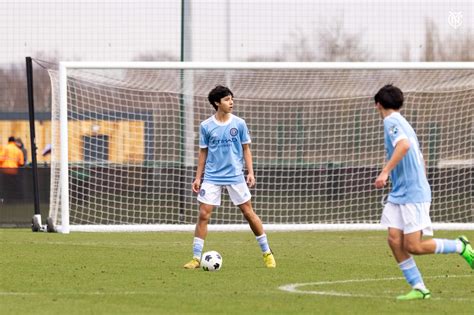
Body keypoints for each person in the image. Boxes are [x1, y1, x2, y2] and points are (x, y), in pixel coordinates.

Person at [373, 84, 473, 300]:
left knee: (414, 246)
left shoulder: (391, 121)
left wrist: (384, 172)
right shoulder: (403, 122)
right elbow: (417, 154)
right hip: (401, 192)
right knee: (393, 238)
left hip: (412, 194)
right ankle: (419, 287)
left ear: (377, 104)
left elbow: (404, 146)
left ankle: (460, 245)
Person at [183, 85, 276, 269]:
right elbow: (203, 153)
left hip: (235, 175)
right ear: (217, 103)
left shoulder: (239, 123)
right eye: (226, 99)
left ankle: (267, 253)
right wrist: (197, 177)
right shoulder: (206, 126)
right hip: (212, 176)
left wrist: (250, 172)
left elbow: (246, 149)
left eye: (232, 99)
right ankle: (195, 258)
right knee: (203, 214)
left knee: (248, 213)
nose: (231, 102)